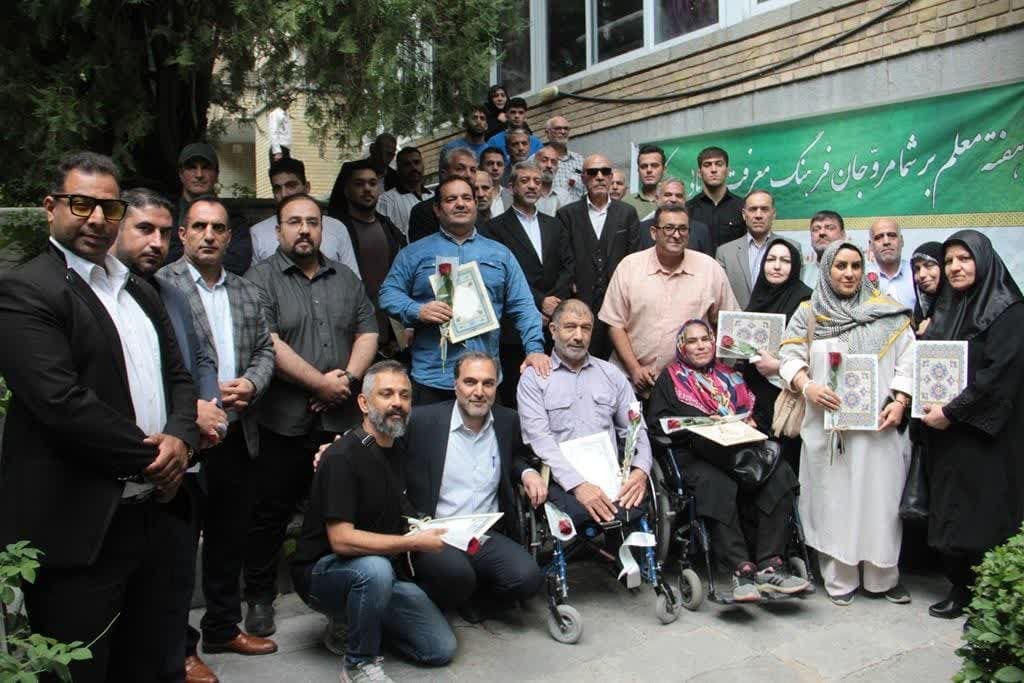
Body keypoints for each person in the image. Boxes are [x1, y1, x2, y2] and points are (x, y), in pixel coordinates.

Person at [0, 151, 199, 682]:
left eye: (109, 208)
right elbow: (60, 403)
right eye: (81, 204)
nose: (96, 218)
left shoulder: (138, 288)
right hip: (82, 526)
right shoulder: (27, 289)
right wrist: (156, 459)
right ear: (51, 207)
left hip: (155, 515)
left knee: (151, 666)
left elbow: (179, 377)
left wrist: (181, 440)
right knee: (82, 673)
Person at [243, 193, 379, 636]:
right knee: (270, 512)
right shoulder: (259, 280)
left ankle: (342, 595)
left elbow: (368, 330)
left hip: (339, 419)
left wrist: (347, 380)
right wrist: (318, 383)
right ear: (278, 230)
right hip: (283, 420)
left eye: (312, 222)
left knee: (340, 510)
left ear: (323, 229)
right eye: (294, 222)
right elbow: (267, 342)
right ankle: (259, 597)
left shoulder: (346, 278)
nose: (304, 230)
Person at [112, 188, 233, 683]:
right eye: (145, 229)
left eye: (163, 233)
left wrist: (208, 408)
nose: (156, 243)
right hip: (132, 462)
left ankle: (180, 654)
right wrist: (185, 419)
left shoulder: (170, 295)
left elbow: (199, 359)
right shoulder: (103, 296)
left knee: (176, 572)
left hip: (186, 453)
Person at [157, 195, 280, 671]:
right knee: (177, 549)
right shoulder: (159, 285)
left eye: (218, 228)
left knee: (229, 537)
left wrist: (251, 383)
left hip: (238, 429)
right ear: (182, 234)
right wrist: (197, 405)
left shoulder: (247, 290)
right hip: (185, 435)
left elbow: (265, 350)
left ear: (230, 238)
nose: (209, 235)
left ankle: (223, 628)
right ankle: (180, 649)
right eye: (199, 226)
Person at [289, 361, 456, 683]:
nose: (398, 403)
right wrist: (411, 542)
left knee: (439, 649)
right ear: (364, 403)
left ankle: (360, 624)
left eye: (405, 395)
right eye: (387, 394)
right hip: (325, 573)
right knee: (374, 569)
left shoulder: (397, 449)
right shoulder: (341, 456)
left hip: (380, 574)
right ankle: (358, 663)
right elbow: (342, 540)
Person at [778, 240, 915, 606]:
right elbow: (788, 355)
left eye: (855, 266)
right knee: (834, 503)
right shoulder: (809, 313)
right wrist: (807, 386)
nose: (849, 273)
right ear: (827, 269)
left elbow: (909, 360)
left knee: (880, 503)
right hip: (830, 433)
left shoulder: (887, 312)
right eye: (840, 266)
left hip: (879, 432)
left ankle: (883, 577)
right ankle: (840, 580)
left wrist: (900, 401)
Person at [648, 320, 810, 602]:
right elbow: (659, 424)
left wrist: (751, 420)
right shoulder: (670, 379)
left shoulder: (732, 376)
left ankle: (770, 563)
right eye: (692, 341)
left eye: (705, 339)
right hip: (695, 454)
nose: (700, 346)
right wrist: (700, 423)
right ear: (681, 347)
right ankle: (740, 568)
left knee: (779, 474)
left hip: (741, 451)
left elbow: (760, 414)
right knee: (717, 483)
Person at [920, 231, 1024, 619]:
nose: (955, 267)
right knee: (954, 510)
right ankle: (961, 587)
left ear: (983, 260)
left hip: (987, 435)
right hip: (949, 434)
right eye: (949, 261)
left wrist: (951, 412)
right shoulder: (949, 307)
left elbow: (997, 377)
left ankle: (991, 599)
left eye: (964, 259)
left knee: (986, 512)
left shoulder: (1009, 311)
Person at [379, 177, 549, 405]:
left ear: (475, 204)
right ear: (437, 209)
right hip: (433, 377)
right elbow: (387, 294)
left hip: (484, 378)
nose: (460, 204)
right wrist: (417, 310)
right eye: (451, 199)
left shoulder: (500, 254)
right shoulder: (414, 253)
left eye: (467, 198)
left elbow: (524, 306)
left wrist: (535, 349)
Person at [403, 353, 546, 621]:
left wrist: (528, 473)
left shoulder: (507, 420)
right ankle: (450, 593)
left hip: (483, 533)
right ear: (455, 385)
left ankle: (474, 596)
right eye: (470, 382)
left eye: (487, 383)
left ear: (496, 386)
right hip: (436, 532)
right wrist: (338, 447)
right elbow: (382, 442)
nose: (479, 392)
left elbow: (514, 456)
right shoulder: (423, 420)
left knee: (528, 579)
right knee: (458, 576)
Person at [517, 299, 651, 526]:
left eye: (585, 328)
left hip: (612, 476)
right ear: (553, 330)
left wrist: (641, 470)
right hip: (562, 480)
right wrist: (578, 485)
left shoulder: (612, 375)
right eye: (570, 327)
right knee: (585, 517)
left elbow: (635, 428)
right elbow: (540, 440)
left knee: (633, 509)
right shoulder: (534, 379)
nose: (578, 336)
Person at [600, 204, 737, 398]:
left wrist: (709, 370)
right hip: (630, 382)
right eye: (669, 228)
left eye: (683, 229)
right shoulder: (630, 267)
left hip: (690, 387)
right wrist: (634, 369)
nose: (676, 234)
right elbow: (615, 324)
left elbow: (727, 322)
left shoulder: (709, 269)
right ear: (654, 232)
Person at [482, 161, 571, 406]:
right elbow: (501, 276)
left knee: (555, 392)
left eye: (537, 182)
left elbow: (568, 266)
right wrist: (539, 302)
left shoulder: (555, 225)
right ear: (511, 187)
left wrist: (553, 306)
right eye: (525, 181)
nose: (532, 186)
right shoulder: (495, 228)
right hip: (514, 329)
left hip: (554, 323)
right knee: (517, 395)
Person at [557, 153, 641, 360]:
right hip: (581, 302)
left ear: (611, 177)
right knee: (580, 359)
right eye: (593, 172)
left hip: (619, 303)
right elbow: (564, 258)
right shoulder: (567, 214)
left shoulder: (627, 213)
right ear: (583, 178)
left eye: (605, 172)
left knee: (618, 360)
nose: (600, 177)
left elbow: (635, 257)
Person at [742, 238, 812, 475]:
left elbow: (812, 352)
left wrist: (778, 366)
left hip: (787, 396)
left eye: (785, 261)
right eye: (771, 259)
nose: (777, 266)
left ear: (795, 266)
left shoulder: (805, 299)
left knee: (785, 467)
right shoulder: (758, 296)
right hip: (755, 397)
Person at [335, 160, 409, 357]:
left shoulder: (389, 228)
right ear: (346, 190)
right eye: (359, 184)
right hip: (353, 330)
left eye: (372, 183)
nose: (367, 189)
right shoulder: (336, 230)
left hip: (391, 330)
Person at [249, 157, 361, 277]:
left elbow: (352, 279)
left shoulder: (336, 228)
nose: (284, 194)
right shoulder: (258, 233)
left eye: (291, 185)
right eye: (277, 188)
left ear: (306, 187)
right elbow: (254, 283)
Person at [168, 142, 252, 274]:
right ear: (181, 174)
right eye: (192, 168)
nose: (199, 174)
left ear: (217, 174)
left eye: (206, 168)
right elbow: (165, 257)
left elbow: (238, 261)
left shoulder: (233, 217)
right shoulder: (167, 214)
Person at [716, 190, 795, 308]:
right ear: (744, 215)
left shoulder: (791, 248)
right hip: (737, 317)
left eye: (764, 209)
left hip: (780, 317)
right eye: (753, 209)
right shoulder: (725, 253)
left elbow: (794, 293)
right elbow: (721, 296)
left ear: (773, 214)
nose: (758, 215)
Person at [408, 146, 478, 243]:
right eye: (460, 169)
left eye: (473, 170)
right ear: (443, 174)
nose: (468, 175)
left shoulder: (477, 207)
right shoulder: (422, 212)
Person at [685, 146, 745, 251]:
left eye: (719, 164)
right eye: (707, 165)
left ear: (727, 171)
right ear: (699, 173)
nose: (713, 170)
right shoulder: (688, 209)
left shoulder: (742, 207)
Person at [328, 133, 400, 219]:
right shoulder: (350, 169)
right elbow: (336, 203)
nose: (384, 159)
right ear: (372, 149)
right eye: (380, 153)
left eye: (389, 154)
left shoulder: (395, 178)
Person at [635, 178, 712, 255]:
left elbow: (707, 261)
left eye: (679, 196)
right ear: (657, 198)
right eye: (668, 195)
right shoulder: (641, 229)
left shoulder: (701, 230)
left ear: (684, 200)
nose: (673, 199)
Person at [377, 146, 434, 239]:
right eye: (407, 164)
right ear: (398, 170)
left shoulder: (434, 196)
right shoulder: (386, 200)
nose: (413, 167)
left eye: (417, 162)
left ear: (423, 166)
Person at [866, 218, 916, 310]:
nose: (886, 242)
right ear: (871, 245)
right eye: (879, 237)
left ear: (902, 241)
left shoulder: (917, 273)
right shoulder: (861, 278)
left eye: (892, 235)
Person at [536, 116, 585, 202]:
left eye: (566, 129)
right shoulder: (535, 160)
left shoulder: (580, 160)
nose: (563, 132)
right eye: (558, 128)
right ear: (547, 133)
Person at [485, 97, 543, 164]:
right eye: (513, 112)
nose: (517, 116)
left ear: (525, 116)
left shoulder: (536, 143)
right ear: (506, 115)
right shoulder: (494, 142)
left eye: (521, 112)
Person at [437, 106, 489, 171]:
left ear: (486, 126)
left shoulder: (490, 152)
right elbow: (443, 175)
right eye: (474, 118)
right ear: (464, 124)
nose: (479, 121)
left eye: (482, 118)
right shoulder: (450, 148)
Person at [802, 210, 846, 287]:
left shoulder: (859, 272)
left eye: (830, 228)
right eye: (816, 229)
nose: (822, 233)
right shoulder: (801, 274)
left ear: (843, 235)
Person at [910, 241, 943, 335]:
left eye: (929, 265)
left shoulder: (961, 310)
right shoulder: (919, 314)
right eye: (917, 269)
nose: (922, 274)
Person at [622, 145, 665, 215]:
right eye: (644, 166)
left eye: (654, 165)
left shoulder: (673, 200)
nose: (649, 170)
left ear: (664, 169)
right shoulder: (626, 203)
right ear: (638, 170)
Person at [534, 143, 570, 217]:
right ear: (535, 164)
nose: (549, 166)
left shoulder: (564, 196)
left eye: (553, 162)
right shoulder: (527, 194)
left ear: (557, 168)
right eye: (544, 160)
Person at [479, 146, 512, 215]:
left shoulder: (511, 197)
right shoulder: (473, 195)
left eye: (499, 164)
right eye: (490, 164)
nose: (495, 168)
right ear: (480, 167)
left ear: (504, 169)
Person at [267, 96, 293, 163]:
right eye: (284, 100)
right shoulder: (275, 114)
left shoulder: (286, 115)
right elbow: (273, 132)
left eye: (288, 101)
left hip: (285, 150)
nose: (286, 102)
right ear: (279, 102)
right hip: (279, 150)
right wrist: (277, 152)